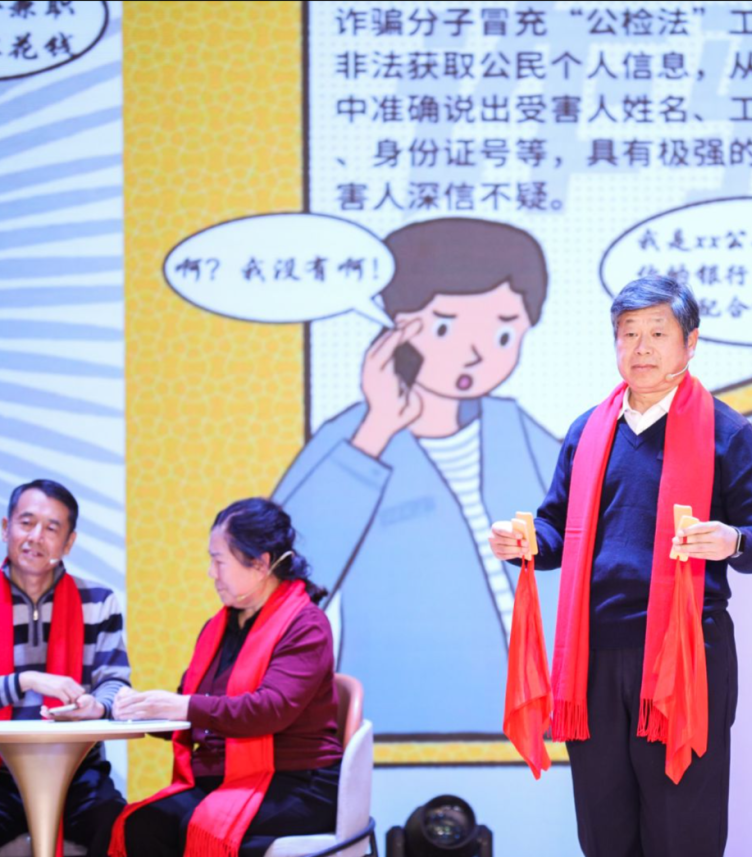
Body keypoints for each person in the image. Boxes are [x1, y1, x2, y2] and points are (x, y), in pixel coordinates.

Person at [489, 276, 752, 857]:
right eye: (628, 334)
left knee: (682, 830)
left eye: (657, 333)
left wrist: (730, 540)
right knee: (605, 831)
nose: (641, 348)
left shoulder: (726, 431)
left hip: (685, 656)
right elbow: (555, 530)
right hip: (593, 654)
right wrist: (524, 543)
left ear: (690, 343)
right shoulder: (588, 431)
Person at [274, 217, 562, 736]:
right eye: (446, 327)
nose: (476, 352)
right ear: (396, 328)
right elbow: (286, 572)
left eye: (502, 330)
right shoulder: (356, 438)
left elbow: (600, 512)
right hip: (406, 724)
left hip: (539, 722)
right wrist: (378, 427)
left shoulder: (516, 428)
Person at [110, 498, 343, 857]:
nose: (211, 572)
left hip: (298, 782)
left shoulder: (306, 625)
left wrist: (182, 706)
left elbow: (270, 709)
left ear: (260, 563)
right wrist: (133, 708)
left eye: (219, 561)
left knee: (198, 829)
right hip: (225, 777)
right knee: (138, 825)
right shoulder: (218, 627)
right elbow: (193, 714)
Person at [0, 479, 130, 857]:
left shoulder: (98, 602)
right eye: (27, 523)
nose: (36, 537)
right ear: (6, 528)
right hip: (0, 773)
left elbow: (115, 682)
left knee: (119, 825)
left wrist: (97, 706)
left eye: (52, 528)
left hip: (78, 771)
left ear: (69, 542)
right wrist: (25, 681)